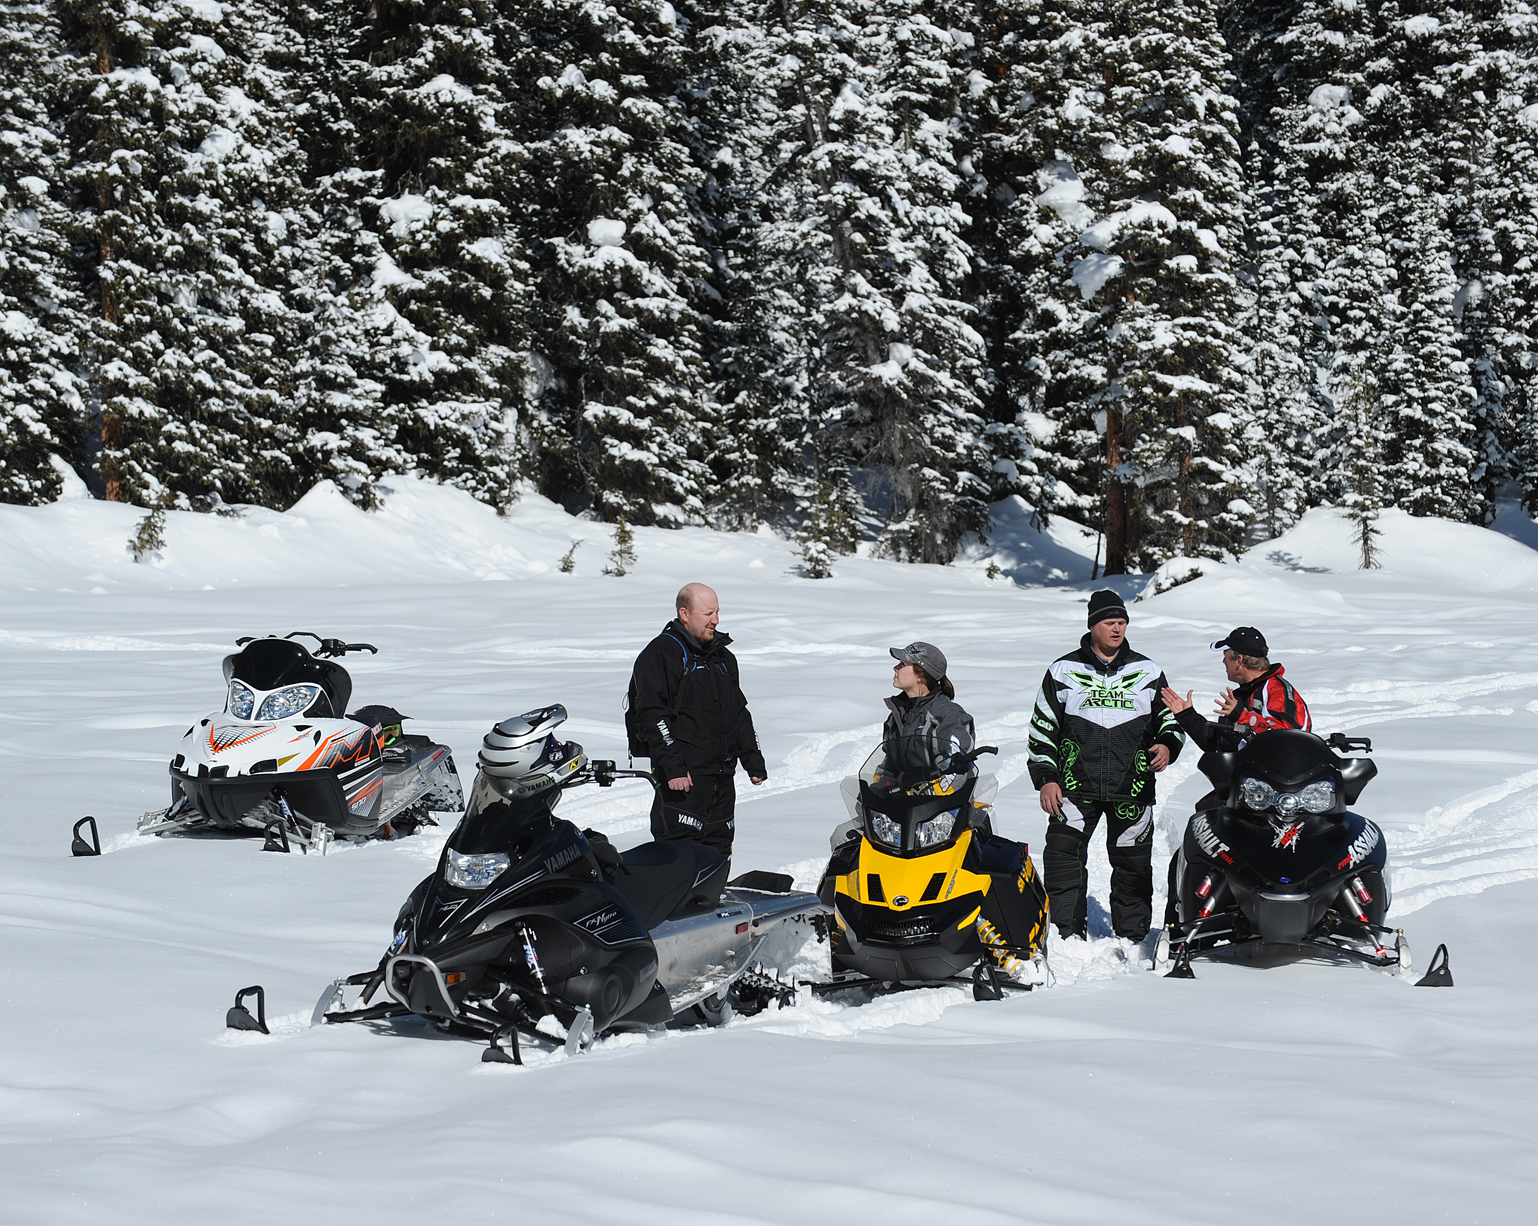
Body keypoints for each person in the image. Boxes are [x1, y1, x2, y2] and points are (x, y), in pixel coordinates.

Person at [1027, 589, 1184, 941]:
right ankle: (1064, 934)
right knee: (1062, 859)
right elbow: (1042, 729)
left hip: (1133, 787)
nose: (1117, 629)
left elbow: (1170, 721)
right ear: (1093, 625)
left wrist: (1167, 745)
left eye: (1122, 622)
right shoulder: (1063, 670)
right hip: (1072, 788)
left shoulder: (1148, 670)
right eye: (1110, 622)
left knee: (1133, 868)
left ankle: (1134, 938)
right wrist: (1047, 779)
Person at [627, 583, 766, 859]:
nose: (715, 620)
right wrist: (674, 768)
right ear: (684, 614)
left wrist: (752, 758)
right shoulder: (661, 654)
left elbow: (738, 712)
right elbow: (651, 715)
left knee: (718, 853)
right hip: (684, 782)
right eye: (708, 614)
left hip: (721, 778)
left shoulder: (723, 658)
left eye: (717, 613)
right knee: (680, 857)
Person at [1159, 626, 1310, 753]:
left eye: (1225, 656)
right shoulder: (1240, 696)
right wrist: (1186, 715)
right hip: (1247, 782)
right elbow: (1217, 746)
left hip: (1280, 784)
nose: (1223, 661)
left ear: (1239, 660)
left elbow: (1288, 739)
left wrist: (1242, 715)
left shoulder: (1276, 690)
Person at [882, 641, 974, 779]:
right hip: (904, 799)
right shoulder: (898, 715)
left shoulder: (947, 716)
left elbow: (958, 769)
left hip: (941, 799)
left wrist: (933, 788)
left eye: (902, 665)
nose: (895, 668)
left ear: (921, 675)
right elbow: (889, 765)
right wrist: (878, 785)